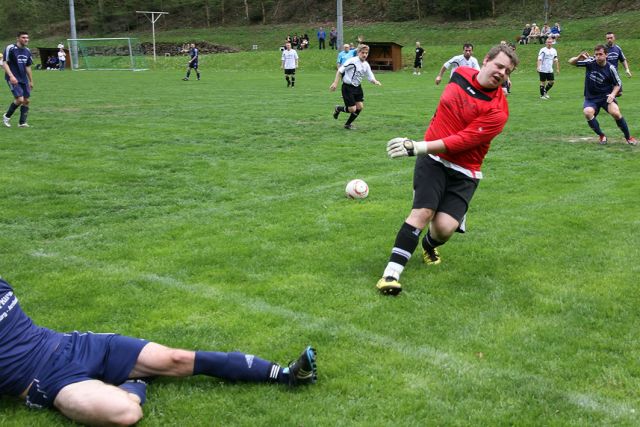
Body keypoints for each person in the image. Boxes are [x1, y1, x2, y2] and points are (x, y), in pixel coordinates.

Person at [0, 276, 317, 425]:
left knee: (175, 358)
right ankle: (135, 383)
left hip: (77, 344)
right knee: (125, 413)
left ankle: (286, 375)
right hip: (47, 381)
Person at [377, 44, 519, 295]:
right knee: (422, 212)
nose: (501, 72)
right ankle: (391, 275)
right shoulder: (460, 74)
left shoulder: (498, 111)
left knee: (443, 228)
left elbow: (462, 141)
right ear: (485, 61)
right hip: (432, 158)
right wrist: (428, 141)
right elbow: (443, 110)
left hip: (465, 170)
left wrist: (418, 146)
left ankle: (429, 246)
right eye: (499, 65)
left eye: (507, 71)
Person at [568, 45, 637, 146]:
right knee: (587, 112)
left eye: (600, 54)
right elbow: (571, 62)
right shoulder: (590, 62)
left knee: (616, 113)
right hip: (591, 98)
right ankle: (602, 135)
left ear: (606, 55)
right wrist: (578, 57)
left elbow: (618, 84)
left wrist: (613, 95)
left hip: (606, 97)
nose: (598, 56)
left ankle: (628, 137)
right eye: (596, 54)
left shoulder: (611, 68)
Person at [330, 44, 382, 130]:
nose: (365, 55)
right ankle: (338, 108)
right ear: (358, 52)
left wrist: (375, 81)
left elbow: (370, 76)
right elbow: (340, 71)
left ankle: (347, 124)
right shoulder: (352, 61)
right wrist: (335, 83)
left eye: (366, 53)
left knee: (360, 107)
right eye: (362, 53)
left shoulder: (366, 64)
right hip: (347, 87)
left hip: (357, 87)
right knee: (352, 109)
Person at [3, 31, 33, 128]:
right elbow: (5, 63)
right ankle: (6, 117)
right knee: (20, 99)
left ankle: (22, 123)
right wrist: (11, 76)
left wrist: (31, 81)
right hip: (12, 78)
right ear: (18, 38)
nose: (26, 39)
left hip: (23, 79)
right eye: (23, 37)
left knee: (26, 101)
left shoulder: (27, 51)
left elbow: (28, 66)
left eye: (27, 38)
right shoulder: (11, 48)